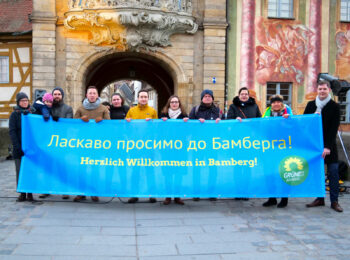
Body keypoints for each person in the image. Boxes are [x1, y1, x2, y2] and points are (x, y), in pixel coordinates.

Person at [304, 81, 343, 212]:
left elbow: (333, 129)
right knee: (317, 173)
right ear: (317, 90)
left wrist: (327, 147)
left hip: (329, 146)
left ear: (329, 90)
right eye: (320, 89)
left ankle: (334, 201)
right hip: (314, 146)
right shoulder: (311, 105)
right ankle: (320, 198)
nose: (322, 91)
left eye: (324, 89)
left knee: (333, 172)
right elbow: (304, 123)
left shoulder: (334, 106)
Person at [73, 86, 110, 202]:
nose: (92, 95)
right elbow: (73, 125)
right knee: (81, 168)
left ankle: (93, 191)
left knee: (95, 168)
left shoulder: (103, 109)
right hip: (83, 143)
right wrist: (80, 121)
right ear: (86, 95)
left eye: (94, 93)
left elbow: (110, 126)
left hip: (97, 144)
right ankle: (81, 192)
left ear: (97, 95)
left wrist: (102, 123)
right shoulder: (80, 108)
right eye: (90, 93)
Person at [227, 87, 262, 201]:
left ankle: (245, 190)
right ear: (239, 95)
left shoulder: (254, 106)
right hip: (237, 142)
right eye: (242, 94)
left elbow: (259, 120)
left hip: (250, 142)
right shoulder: (233, 106)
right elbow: (228, 120)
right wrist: (234, 119)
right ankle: (238, 191)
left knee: (247, 167)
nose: (244, 96)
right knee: (237, 167)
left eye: (246, 94)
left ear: (248, 95)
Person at [39, 87, 73, 200]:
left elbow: (68, 124)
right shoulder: (47, 107)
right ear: (52, 95)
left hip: (62, 142)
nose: (57, 96)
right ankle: (46, 189)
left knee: (62, 166)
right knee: (47, 166)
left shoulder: (68, 108)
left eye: (59, 94)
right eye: (55, 94)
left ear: (62, 96)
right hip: (48, 141)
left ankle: (64, 190)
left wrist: (59, 121)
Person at [126, 89, 158, 203]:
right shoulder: (132, 111)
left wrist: (152, 123)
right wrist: (128, 122)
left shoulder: (153, 111)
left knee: (150, 170)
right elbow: (126, 128)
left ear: (147, 98)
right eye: (141, 97)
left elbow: (157, 128)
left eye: (145, 97)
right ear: (138, 98)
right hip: (135, 146)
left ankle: (152, 194)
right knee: (135, 170)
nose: (143, 98)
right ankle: (134, 194)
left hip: (149, 146)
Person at [189, 89, 220, 201]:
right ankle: (196, 192)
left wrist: (219, 121)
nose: (207, 98)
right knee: (197, 168)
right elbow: (189, 126)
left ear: (212, 98)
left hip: (212, 144)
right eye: (205, 96)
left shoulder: (217, 111)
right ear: (202, 98)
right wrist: (197, 123)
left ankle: (212, 192)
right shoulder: (195, 110)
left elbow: (224, 125)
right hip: (198, 144)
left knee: (212, 168)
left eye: (209, 96)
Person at [261, 94, 292, 208]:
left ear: (282, 103)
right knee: (270, 173)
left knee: (284, 173)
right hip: (269, 148)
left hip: (283, 148)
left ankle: (284, 198)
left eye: (278, 102)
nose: (276, 104)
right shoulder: (266, 114)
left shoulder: (288, 113)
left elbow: (295, 127)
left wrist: (289, 121)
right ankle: (272, 198)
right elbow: (261, 127)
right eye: (274, 102)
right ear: (271, 104)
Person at [160, 95, 188, 205]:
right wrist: (162, 122)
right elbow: (158, 130)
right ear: (169, 104)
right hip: (167, 148)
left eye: (176, 102)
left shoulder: (184, 116)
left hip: (180, 148)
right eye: (172, 102)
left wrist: (187, 123)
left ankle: (177, 195)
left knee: (178, 173)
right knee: (168, 172)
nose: (174, 104)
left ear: (179, 104)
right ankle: (168, 196)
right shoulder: (164, 115)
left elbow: (189, 132)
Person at [9, 92, 35, 202]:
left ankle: (30, 193)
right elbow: (12, 131)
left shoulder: (32, 113)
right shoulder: (14, 115)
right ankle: (22, 193)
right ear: (18, 102)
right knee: (19, 171)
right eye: (22, 101)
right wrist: (17, 146)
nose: (25, 102)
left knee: (30, 170)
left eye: (26, 100)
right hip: (18, 148)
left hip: (31, 148)